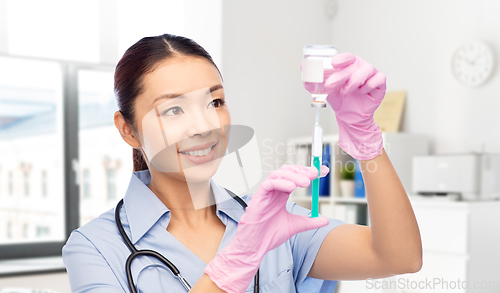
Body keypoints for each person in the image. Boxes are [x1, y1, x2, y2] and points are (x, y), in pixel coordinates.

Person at [62, 33, 422, 293]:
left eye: (214, 102)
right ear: (128, 130)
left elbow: (398, 256)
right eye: (173, 109)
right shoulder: (95, 248)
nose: (204, 126)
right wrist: (238, 260)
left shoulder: (274, 222)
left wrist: (365, 139)